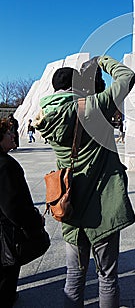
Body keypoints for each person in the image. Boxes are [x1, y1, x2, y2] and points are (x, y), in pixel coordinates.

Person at [35, 55, 135, 307]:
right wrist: (103, 61)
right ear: (77, 85)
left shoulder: (46, 115)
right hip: (103, 206)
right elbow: (127, 77)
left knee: (74, 275)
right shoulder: (90, 106)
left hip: (69, 205)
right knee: (107, 277)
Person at [0, 119, 45, 307]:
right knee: (6, 276)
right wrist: (35, 220)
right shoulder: (5, 166)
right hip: (6, 234)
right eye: (8, 133)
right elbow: (13, 207)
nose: (13, 135)